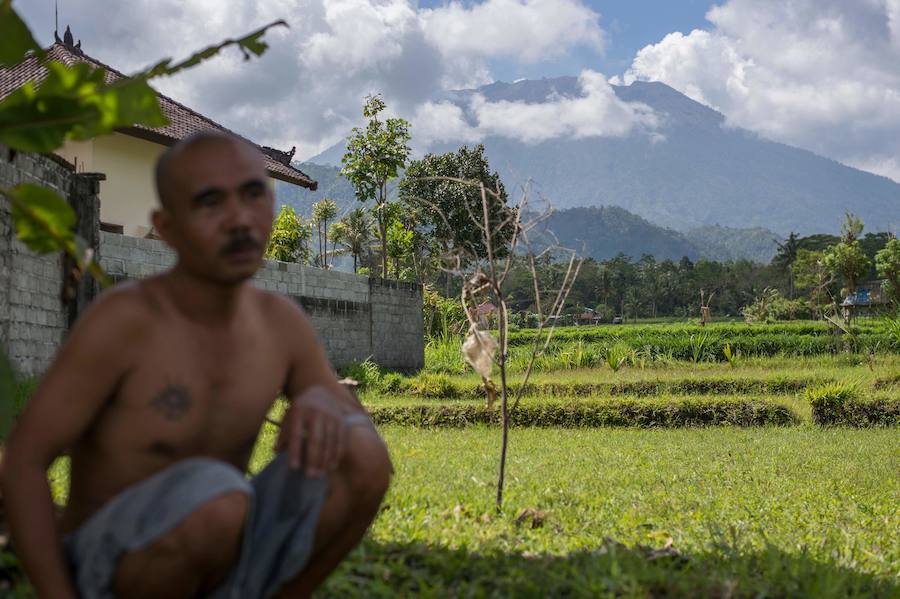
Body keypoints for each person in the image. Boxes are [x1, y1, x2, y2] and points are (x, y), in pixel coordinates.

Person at [0, 130, 392, 598]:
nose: (240, 220)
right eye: (210, 202)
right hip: (111, 569)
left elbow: (336, 401)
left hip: (221, 543)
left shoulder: (279, 322)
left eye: (253, 195)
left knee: (361, 453)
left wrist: (322, 400)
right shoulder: (126, 321)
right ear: (167, 228)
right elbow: (23, 462)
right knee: (218, 498)